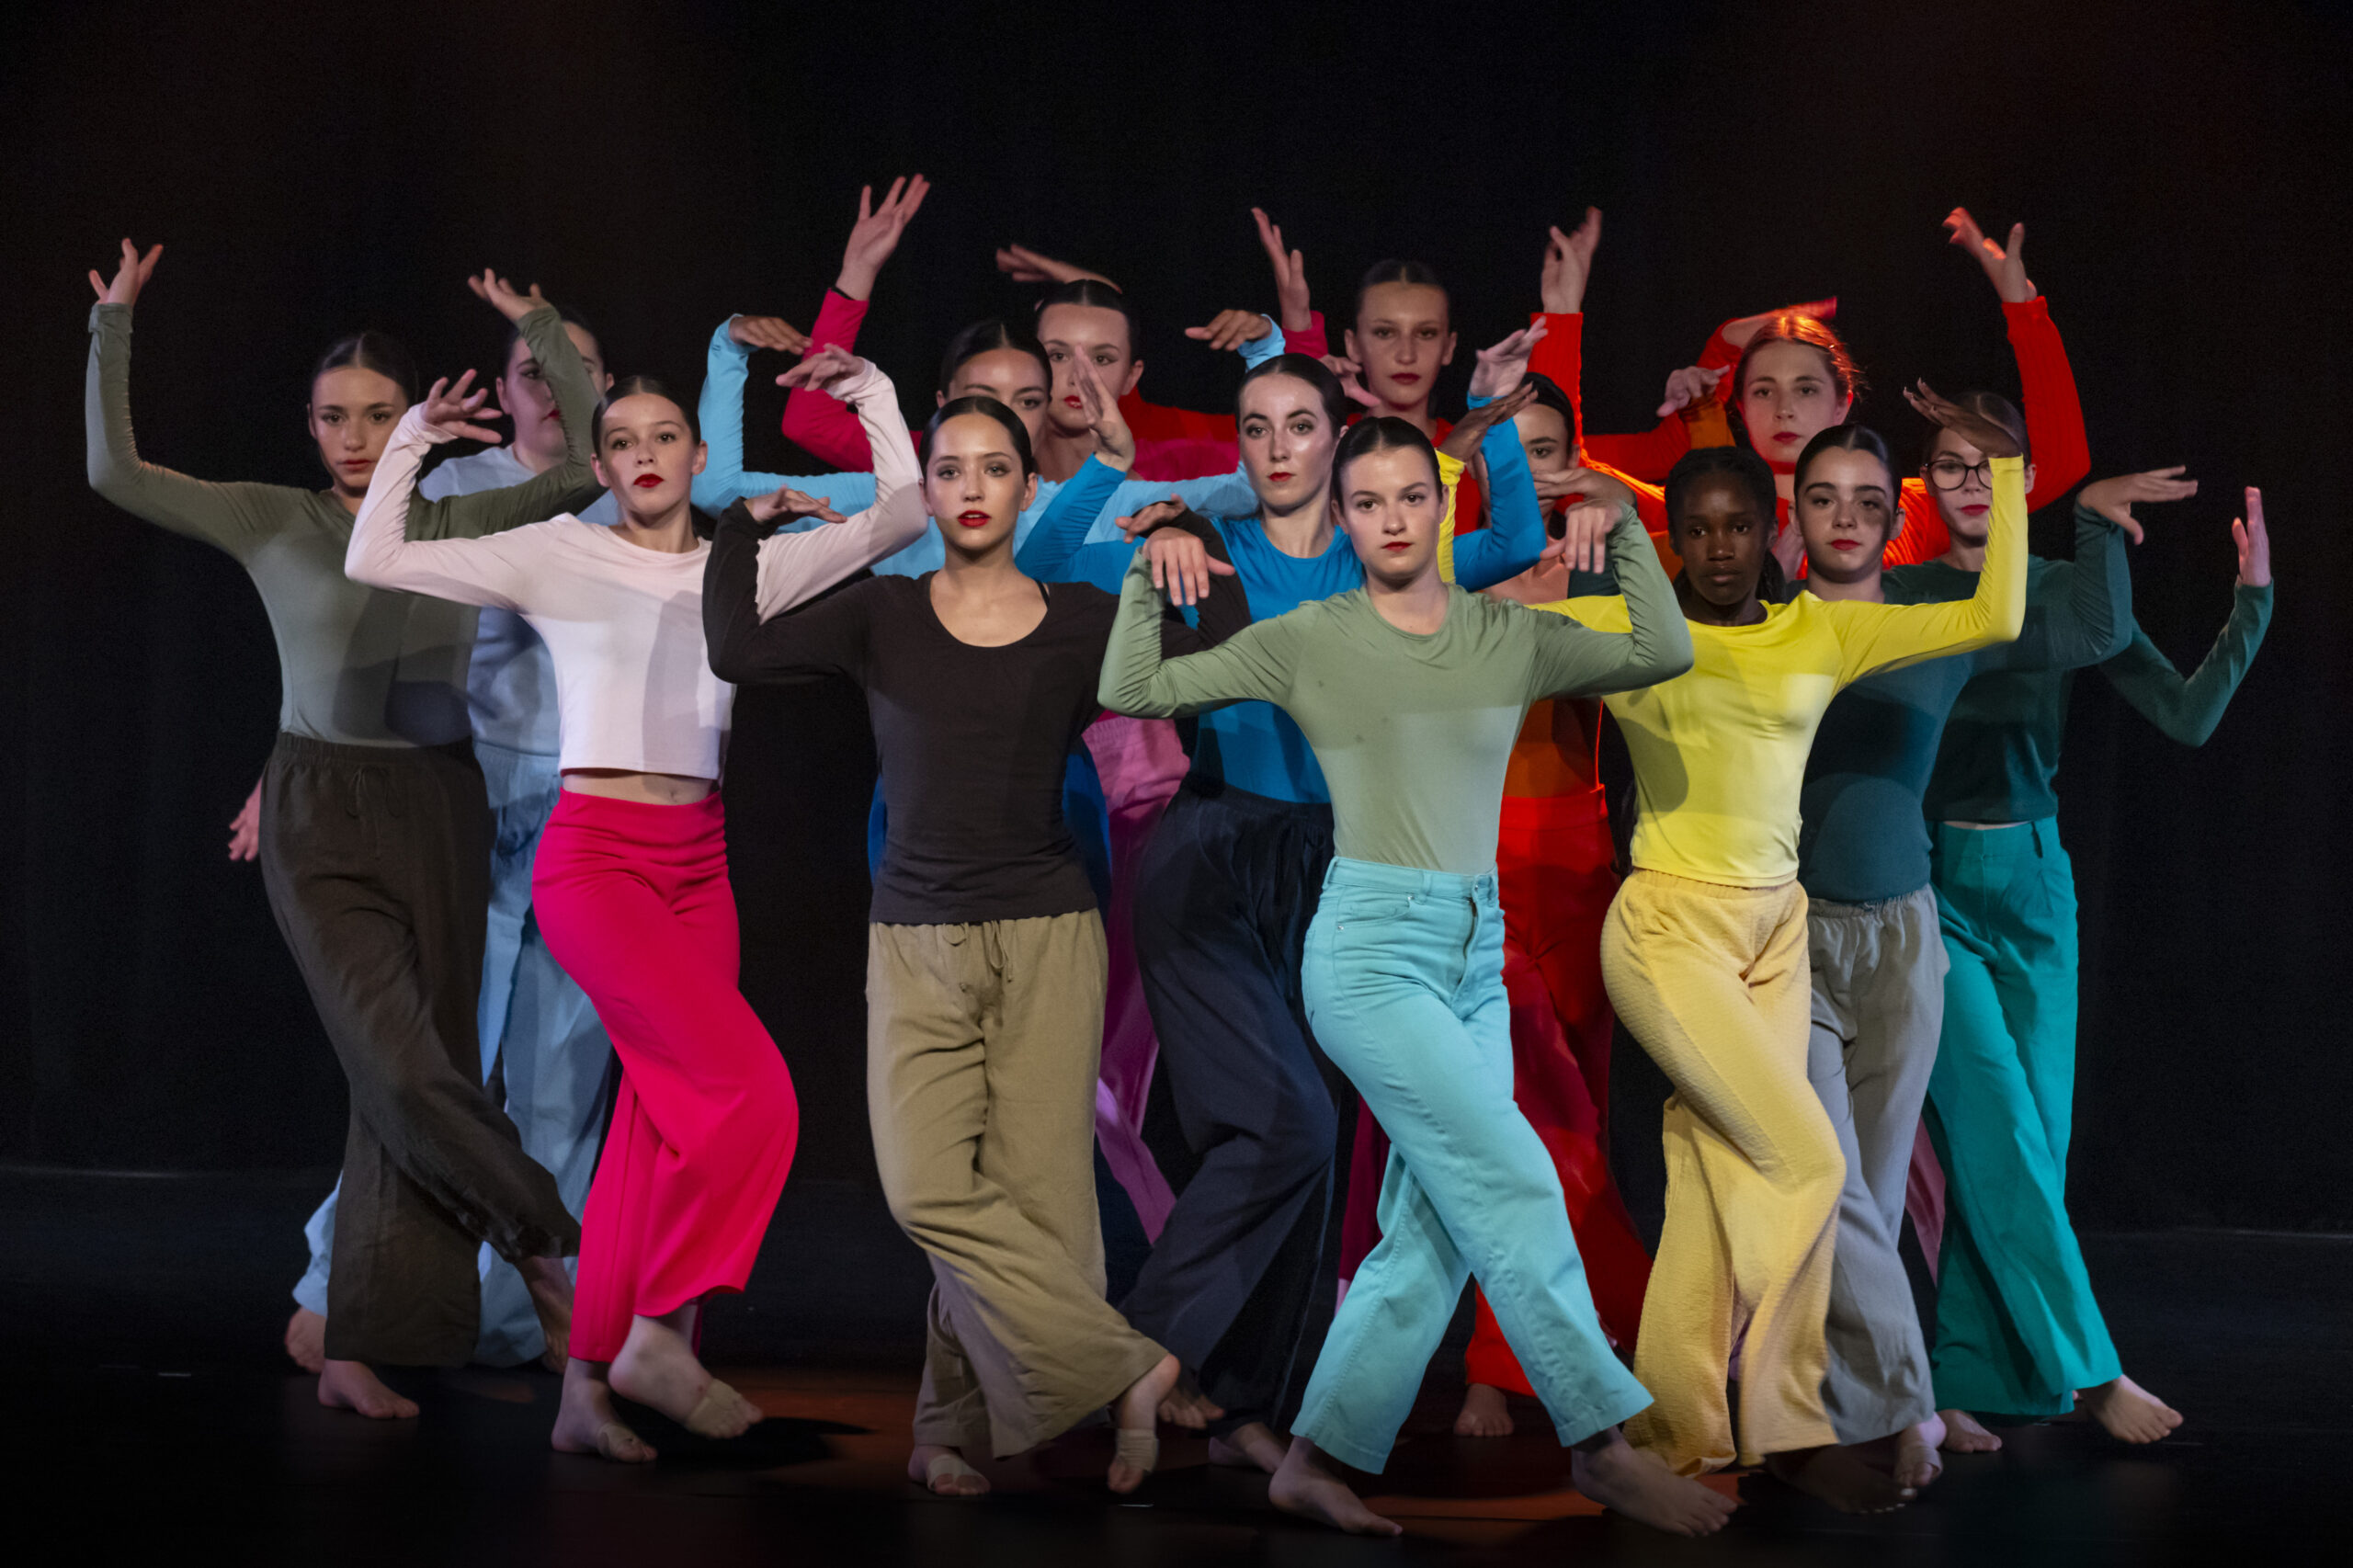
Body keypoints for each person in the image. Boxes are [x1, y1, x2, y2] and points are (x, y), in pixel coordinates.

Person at [1102, 415, 1740, 1540]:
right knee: (1516, 1177)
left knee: (1433, 1227)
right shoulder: (1310, 636)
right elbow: (1135, 684)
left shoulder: (1505, 630)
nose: (1391, 518)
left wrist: (1628, 529)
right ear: (1343, 520)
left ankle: (1314, 1454)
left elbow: (1661, 650)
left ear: (1441, 507)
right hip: (1369, 954)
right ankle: (1601, 1442)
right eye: (1367, 502)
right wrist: (1147, 573)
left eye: (1409, 496)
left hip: (1473, 951)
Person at [345, 349, 926, 1460]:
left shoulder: (743, 570)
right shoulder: (557, 550)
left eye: (663, 438)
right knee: (755, 1097)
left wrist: (872, 396)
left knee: (648, 1136)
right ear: (601, 464)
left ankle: (583, 1391)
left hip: (700, 862)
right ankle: (657, 1337)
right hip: (596, 860)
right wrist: (412, 437)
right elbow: (376, 555)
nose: (643, 455)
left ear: (698, 457)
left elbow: (900, 515)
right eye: (621, 442)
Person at [1017, 334, 1552, 1471]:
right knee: (1287, 1121)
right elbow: (1044, 556)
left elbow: (1514, 540)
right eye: (1254, 429)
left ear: (1336, 440)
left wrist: (1494, 410)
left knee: (1315, 1141)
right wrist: (1121, 485)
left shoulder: (1380, 560)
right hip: (1211, 860)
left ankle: (1239, 1401)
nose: (1275, 448)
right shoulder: (1200, 553)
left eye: (1299, 426)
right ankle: (1137, 1355)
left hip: (1340, 868)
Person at [703, 392, 1251, 1499]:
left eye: (992, 468)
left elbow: (1224, 654)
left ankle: (946, 1427)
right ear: (929, 488)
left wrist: (1196, 543)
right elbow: (739, 648)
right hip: (917, 938)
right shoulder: (884, 612)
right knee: (928, 1191)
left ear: (1024, 486)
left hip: (1049, 933)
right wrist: (737, 529)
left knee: (1044, 1203)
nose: (969, 487)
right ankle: (1127, 1366)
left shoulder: (1079, 615)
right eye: (948, 469)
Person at [85, 241, 589, 1420]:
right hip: (318, 810)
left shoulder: (459, 522)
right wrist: (112, 325)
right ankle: (546, 1248)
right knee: (402, 1060)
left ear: (412, 418)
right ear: (308, 427)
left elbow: (581, 467)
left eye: (375, 414)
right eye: (332, 417)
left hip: (440, 805)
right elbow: (116, 472)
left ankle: (357, 1340)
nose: (353, 437)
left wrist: (544, 328)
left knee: (401, 1075)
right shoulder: (275, 518)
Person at [1532, 390, 2026, 1506]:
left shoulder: (1820, 629)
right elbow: (1474, 618)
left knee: (1709, 1180)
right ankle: (1794, 1421)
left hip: (1777, 927)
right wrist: (1489, 495)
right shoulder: (1632, 625)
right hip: (1668, 925)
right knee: (1804, 1163)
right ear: (1670, 537)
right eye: (1695, 528)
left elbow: (1996, 614)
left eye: (1737, 525)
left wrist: (2002, 473)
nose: (1718, 546)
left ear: (1771, 533)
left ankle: (1674, 1430)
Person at [1787, 411, 2149, 1502]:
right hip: (1819, 917)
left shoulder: (1938, 619)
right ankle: (2000, 1383)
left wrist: (2086, 518)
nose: (1846, 516)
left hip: (1929, 907)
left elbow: (2085, 628)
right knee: (1854, 1173)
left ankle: (1940, 1381)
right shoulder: (1772, 624)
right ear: (1793, 512)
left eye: (1866, 500)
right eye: (1822, 498)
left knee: (1953, 1164)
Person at [1895, 426, 2273, 1454]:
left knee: (2032, 1146)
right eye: (1950, 465)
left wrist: (2251, 605)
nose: (1971, 483)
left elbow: (2186, 715)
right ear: (1927, 481)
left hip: (2036, 881)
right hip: (1932, 883)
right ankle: (2091, 1370)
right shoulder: (1906, 595)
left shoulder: (2063, 591)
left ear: (2023, 481)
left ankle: (1966, 1374)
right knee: (1999, 1133)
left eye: (1993, 466)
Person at [286, 304, 620, 1374]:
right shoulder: (454, 488)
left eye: (576, 368)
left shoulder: (633, 489)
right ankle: (337, 1283)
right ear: (505, 387)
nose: (552, 387)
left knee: (560, 1070)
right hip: (465, 794)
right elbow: (349, 636)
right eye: (532, 368)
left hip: (592, 802)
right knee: (431, 1060)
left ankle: (523, 1317)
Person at [1557, 210, 2090, 569]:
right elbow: (1560, 468)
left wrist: (2024, 312)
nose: (1784, 408)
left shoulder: (1907, 506)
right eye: (1763, 391)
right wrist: (1561, 317)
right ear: (1739, 405)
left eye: (1806, 390)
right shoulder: (1702, 509)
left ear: (1843, 403)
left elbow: (2059, 464)